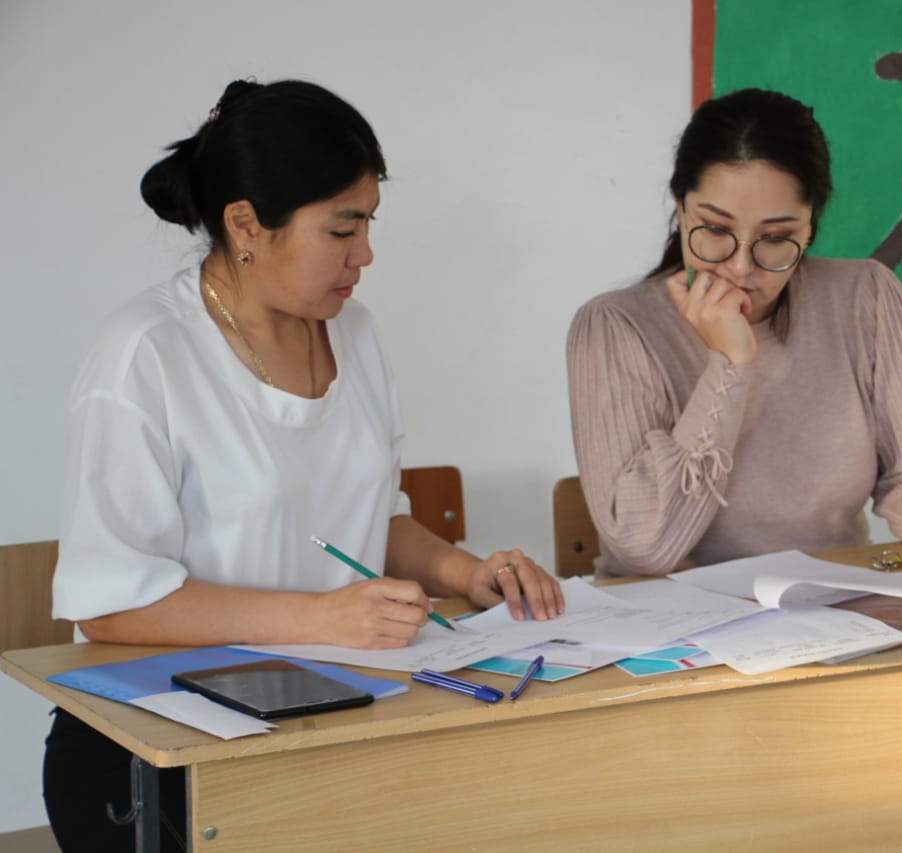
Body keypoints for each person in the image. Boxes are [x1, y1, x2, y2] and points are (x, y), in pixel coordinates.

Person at [45, 78, 563, 853]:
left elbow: (372, 518)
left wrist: (465, 571)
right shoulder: (145, 352)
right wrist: (321, 618)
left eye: (369, 223)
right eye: (342, 228)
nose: (366, 254)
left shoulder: (355, 332)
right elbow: (112, 607)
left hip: (329, 720)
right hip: (162, 750)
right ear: (246, 224)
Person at [567, 88, 902, 579]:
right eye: (714, 229)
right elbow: (645, 547)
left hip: (833, 604)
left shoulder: (865, 298)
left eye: (776, 238)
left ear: (809, 231)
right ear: (681, 208)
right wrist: (730, 364)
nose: (741, 266)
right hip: (674, 620)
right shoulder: (615, 327)